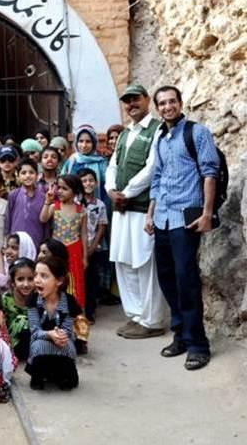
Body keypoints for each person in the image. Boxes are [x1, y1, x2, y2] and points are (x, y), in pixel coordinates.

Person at [146, 85, 220, 370]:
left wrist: (207, 214)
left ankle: (198, 345)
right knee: (167, 278)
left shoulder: (197, 132)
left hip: (185, 219)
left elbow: (209, 173)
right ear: (157, 108)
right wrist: (150, 214)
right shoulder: (161, 137)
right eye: (162, 103)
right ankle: (181, 335)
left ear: (180, 103)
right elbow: (158, 177)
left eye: (171, 101)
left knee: (186, 280)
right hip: (162, 217)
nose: (167, 107)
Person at [105, 84, 167, 339]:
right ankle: (135, 315)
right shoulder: (125, 133)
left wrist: (126, 193)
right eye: (127, 101)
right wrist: (110, 190)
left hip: (142, 208)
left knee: (144, 263)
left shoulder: (158, 130)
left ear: (147, 100)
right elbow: (113, 165)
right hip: (121, 209)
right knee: (124, 262)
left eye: (136, 99)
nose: (131, 104)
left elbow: (153, 167)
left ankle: (152, 320)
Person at [26, 254, 80, 391]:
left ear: (59, 281)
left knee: (67, 346)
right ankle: (39, 377)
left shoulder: (69, 301)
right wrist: (50, 334)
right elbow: (35, 331)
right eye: (36, 275)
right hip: (41, 338)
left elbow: (68, 330)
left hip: (62, 340)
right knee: (38, 346)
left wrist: (60, 335)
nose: (37, 280)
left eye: (44, 276)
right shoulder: (33, 301)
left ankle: (63, 376)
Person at [41, 175, 88, 308]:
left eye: (64, 188)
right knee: (55, 278)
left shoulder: (82, 211)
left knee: (75, 280)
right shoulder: (54, 207)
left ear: (75, 191)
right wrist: (47, 202)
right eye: (59, 187)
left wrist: (85, 258)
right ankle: (56, 308)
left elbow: (84, 235)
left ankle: (76, 311)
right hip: (56, 250)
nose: (60, 191)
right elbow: (43, 219)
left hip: (75, 250)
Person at [78, 168, 109, 323]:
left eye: (91, 180)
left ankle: (90, 312)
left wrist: (92, 246)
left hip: (93, 248)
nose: (88, 183)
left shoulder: (100, 204)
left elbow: (102, 226)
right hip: (77, 248)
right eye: (84, 181)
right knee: (77, 280)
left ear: (96, 183)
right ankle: (77, 311)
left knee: (91, 280)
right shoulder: (76, 203)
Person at [6, 158, 48, 250]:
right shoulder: (13, 195)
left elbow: (46, 225)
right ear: (17, 175)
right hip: (16, 241)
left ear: (37, 175)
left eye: (31, 172)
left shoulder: (44, 197)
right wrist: (7, 239)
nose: (28, 176)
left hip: (36, 240)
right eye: (23, 173)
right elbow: (8, 219)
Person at [61, 125, 108, 202]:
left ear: (94, 143)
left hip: (97, 207)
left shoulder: (101, 162)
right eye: (81, 141)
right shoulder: (72, 160)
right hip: (73, 207)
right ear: (76, 142)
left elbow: (106, 188)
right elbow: (62, 183)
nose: (84, 145)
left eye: (88, 141)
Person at [2, 258, 36, 361]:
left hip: (35, 342)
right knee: (22, 320)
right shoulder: (5, 300)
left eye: (30, 279)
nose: (26, 284)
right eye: (20, 279)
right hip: (12, 345)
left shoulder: (40, 299)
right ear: (13, 282)